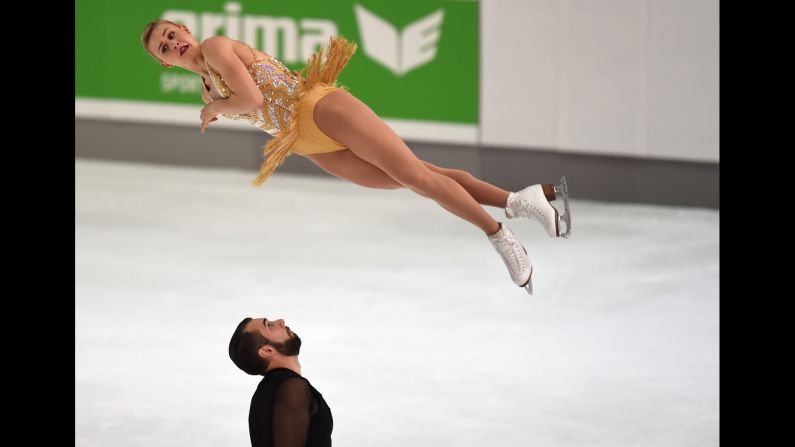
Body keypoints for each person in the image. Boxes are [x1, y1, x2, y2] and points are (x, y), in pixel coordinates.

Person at [141, 20, 572, 294]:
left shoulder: (216, 47)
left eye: (172, 33)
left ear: (186, 30)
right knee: (420, 175)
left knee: (420, 180)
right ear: (163, 62)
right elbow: (248, 106)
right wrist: (215, 102)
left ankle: (501, 237)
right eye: (163, 46)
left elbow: (252, 99)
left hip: (319, 109)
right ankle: (522, 201)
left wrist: (218, 108)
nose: (172, 43)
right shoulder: (205, 88)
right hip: (306, 142)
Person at [229, 316, 332, 447]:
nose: (280, 321)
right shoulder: (291, 387)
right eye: (269, 325)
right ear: (267, 350)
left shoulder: (268, 391)